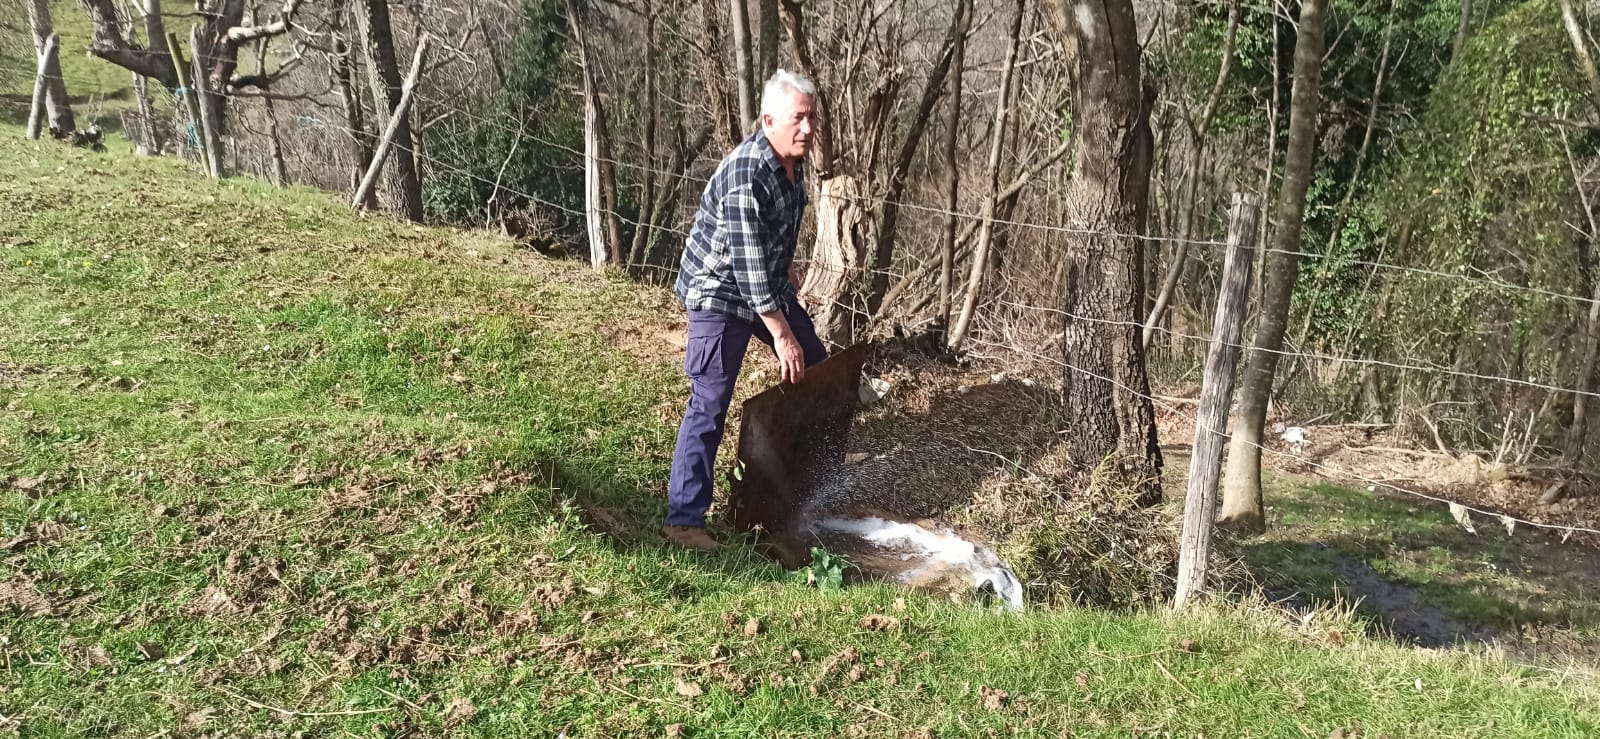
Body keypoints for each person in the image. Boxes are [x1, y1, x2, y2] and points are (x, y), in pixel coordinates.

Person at [662, 70, 829, 552]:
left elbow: (771, 248)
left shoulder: (794, 166)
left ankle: (801, 492)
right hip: (719, 292)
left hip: (763, 286)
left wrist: (791, 284)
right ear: (769, 119)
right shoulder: (748, 172)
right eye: (798, 118)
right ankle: (683, 519)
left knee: (817, 370)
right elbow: (747, 264)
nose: (807, 128)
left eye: (812, 117)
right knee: (710, 402)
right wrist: (781, 334)